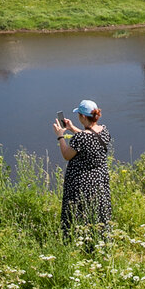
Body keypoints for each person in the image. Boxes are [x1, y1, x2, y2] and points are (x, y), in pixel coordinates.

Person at [53, 99, 112, 243]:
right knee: (97, 210)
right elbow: (91, 138)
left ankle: (77, 242)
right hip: (99, 179)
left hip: (82, 183)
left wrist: (60, 136)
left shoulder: (81, 138)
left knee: (78, 212)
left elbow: (67, 155)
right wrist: (72, 128)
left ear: (83, 117)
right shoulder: (104, 130)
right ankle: (100, 240)